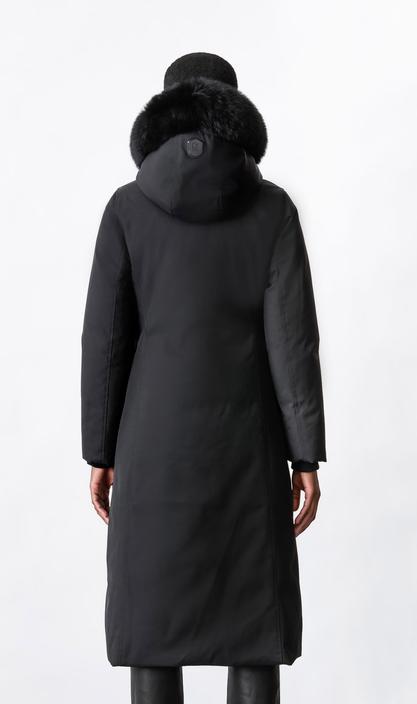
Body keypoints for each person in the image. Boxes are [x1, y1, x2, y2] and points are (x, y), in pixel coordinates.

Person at [81, 52, 326, 704]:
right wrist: (304, 454)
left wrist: (100, 450)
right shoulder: (272, 210)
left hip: (151, 448)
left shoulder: (127, 209)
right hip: (247, 448)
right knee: (252, 626)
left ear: (166, 111)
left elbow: (105, 342)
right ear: (234, 112)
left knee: (152, 626)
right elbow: (293, 341)